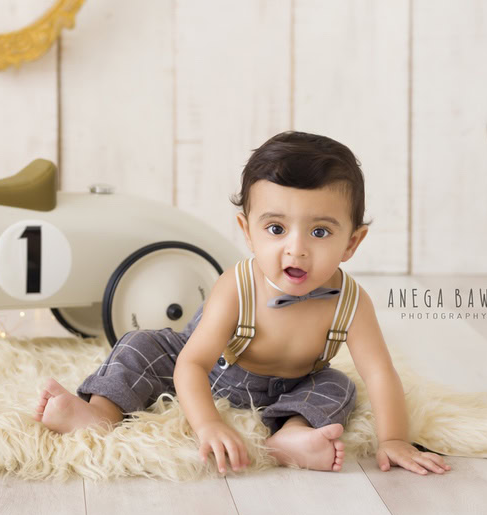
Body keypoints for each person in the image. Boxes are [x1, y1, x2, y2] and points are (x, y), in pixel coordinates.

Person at [33, 131, 451, 476]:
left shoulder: (351, 303)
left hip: (289, 385)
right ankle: (98, 412)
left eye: (320, 233)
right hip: (211, 366)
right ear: (248, 233)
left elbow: (379, 372)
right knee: (139, 345)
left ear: (352, 242)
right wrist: (208, 424)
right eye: (276, 228)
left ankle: (291, 433)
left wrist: (394, 437)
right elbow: (191, 364)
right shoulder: (238, 285)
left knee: (339, 387)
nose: (296, 249)